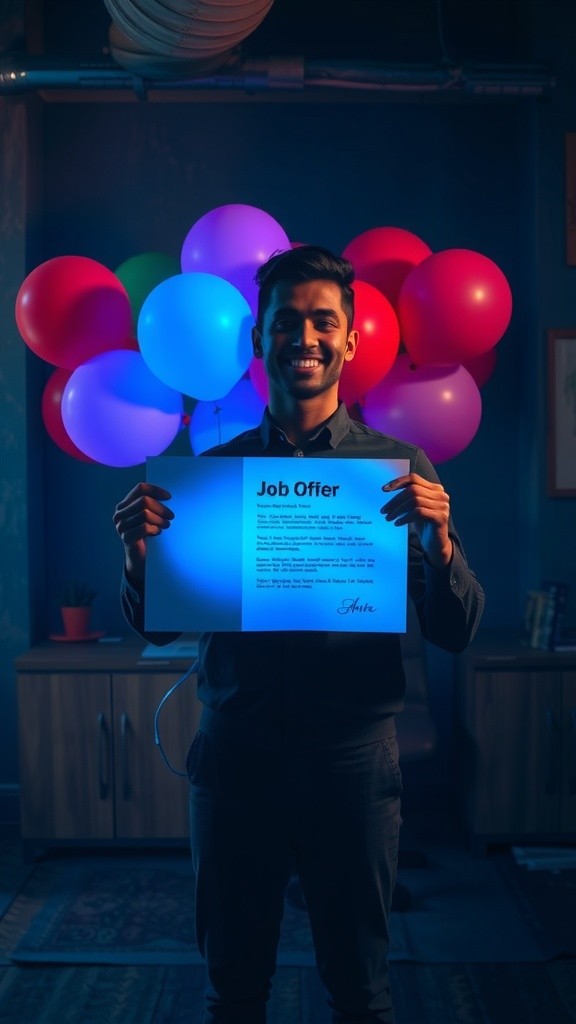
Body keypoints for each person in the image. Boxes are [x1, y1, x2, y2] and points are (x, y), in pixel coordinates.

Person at [113, 245, 484, 1024]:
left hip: (351, 766)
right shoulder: (212, 474)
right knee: (234, 990)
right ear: (261, 342)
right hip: (236, 757)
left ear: (350, 340)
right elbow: (162, 625)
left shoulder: (396, 469)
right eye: (288, 322)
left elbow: (456, 630)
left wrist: (439, 547)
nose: (305, 338)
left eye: (324, 322)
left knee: (360, 991)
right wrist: (141, 560)